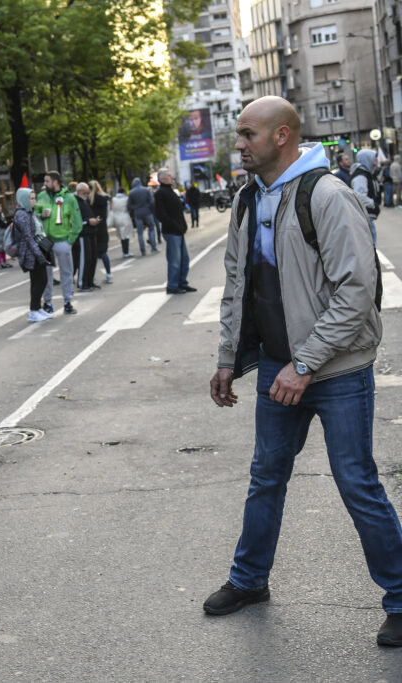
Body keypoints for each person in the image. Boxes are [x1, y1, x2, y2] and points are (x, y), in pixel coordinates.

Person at [205, 96, 402, 648]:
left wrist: (306, 363)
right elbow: (238, 285)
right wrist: (227, 358)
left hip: (336, 370)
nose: (238, 145)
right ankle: (249, 580)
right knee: (266, 475)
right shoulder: (248, 199)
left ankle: (401, 596)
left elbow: (357, 291)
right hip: (278, 365)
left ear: (282, 136)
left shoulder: (328, 195)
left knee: (356, 481)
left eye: (247, 134)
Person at [37, 171, 79, 314]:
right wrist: (41, 215)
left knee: (66, 272)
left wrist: (70, 240)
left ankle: (67, 301)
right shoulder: (42, 196)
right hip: (45, 241)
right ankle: (47, 303)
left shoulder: (69, 198)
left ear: (55, 182)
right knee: (46, 274)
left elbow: (77, 220)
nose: (45, 184)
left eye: (47, 181)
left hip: (62, 240)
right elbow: (35, 213)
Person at [13, 187, 52, 322]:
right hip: (30, 253)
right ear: (24, 199)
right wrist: (39, 254)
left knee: (39, 280)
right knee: (40, 280)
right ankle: (33, 311)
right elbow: (28, 236)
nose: (34, 201)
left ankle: (37, 308)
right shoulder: (21, 215)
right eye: (31, 198)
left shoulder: (30, 212)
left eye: (34, 198)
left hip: (36, 250)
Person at [154, 170, 195, 295]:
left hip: (178, 230)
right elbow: (161, 214)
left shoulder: (171, 191)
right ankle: (172, 285)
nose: (171, 177)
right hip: (171, 231)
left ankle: (182, 283)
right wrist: (176, 226)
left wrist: (183, 225)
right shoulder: (160, 193)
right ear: (161, 179)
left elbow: (178, 211)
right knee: (175, 260)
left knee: (184, 260)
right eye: (168, 176)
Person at [350, 148, 381, 246]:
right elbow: (360, 196)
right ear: (367, 159)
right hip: (365, 215)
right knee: (370, 243)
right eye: (374, 158)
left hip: (367, 215)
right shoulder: (361, 176)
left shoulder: (367, 173)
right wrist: (373, 204)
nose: (376, 160)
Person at [73, 182, 100, 292]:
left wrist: (94, 220)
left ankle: (90, 281)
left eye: (88, 192)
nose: (87, 194)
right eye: (85, 192)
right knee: (84, 260)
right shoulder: (75, 202)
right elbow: (75, 220)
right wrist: (88, 221)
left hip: (91, 233)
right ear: (79, 191)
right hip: (83, 234)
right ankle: (82, 283)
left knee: (93, 259)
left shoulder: (84, 201)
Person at [127, 177, 158, 255]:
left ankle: (143, 250)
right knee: (151, 229)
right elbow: (152, 201)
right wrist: (150, 210)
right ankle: (153, 247)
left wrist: (135, 209)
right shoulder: (146, 190)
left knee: (140, 233)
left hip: (137, 214)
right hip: (147, 212)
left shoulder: (131, 192)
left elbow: (129, 205)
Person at [89, 180, 112, 284]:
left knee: (91, 255)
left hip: (91, 228)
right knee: (103, 253)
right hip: (102, 228)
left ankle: (91, 277)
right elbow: (107, 213)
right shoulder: (104, 199)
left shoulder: (88, 200)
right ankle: (109, 274)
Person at [110, 186, 133, 259]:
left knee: (121, 236)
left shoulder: (114, 199)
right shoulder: (126, 199)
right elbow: (129, 208)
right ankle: (126, 252)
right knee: (126, 236)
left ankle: (124, 252)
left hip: (117, 219)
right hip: (125, 218)